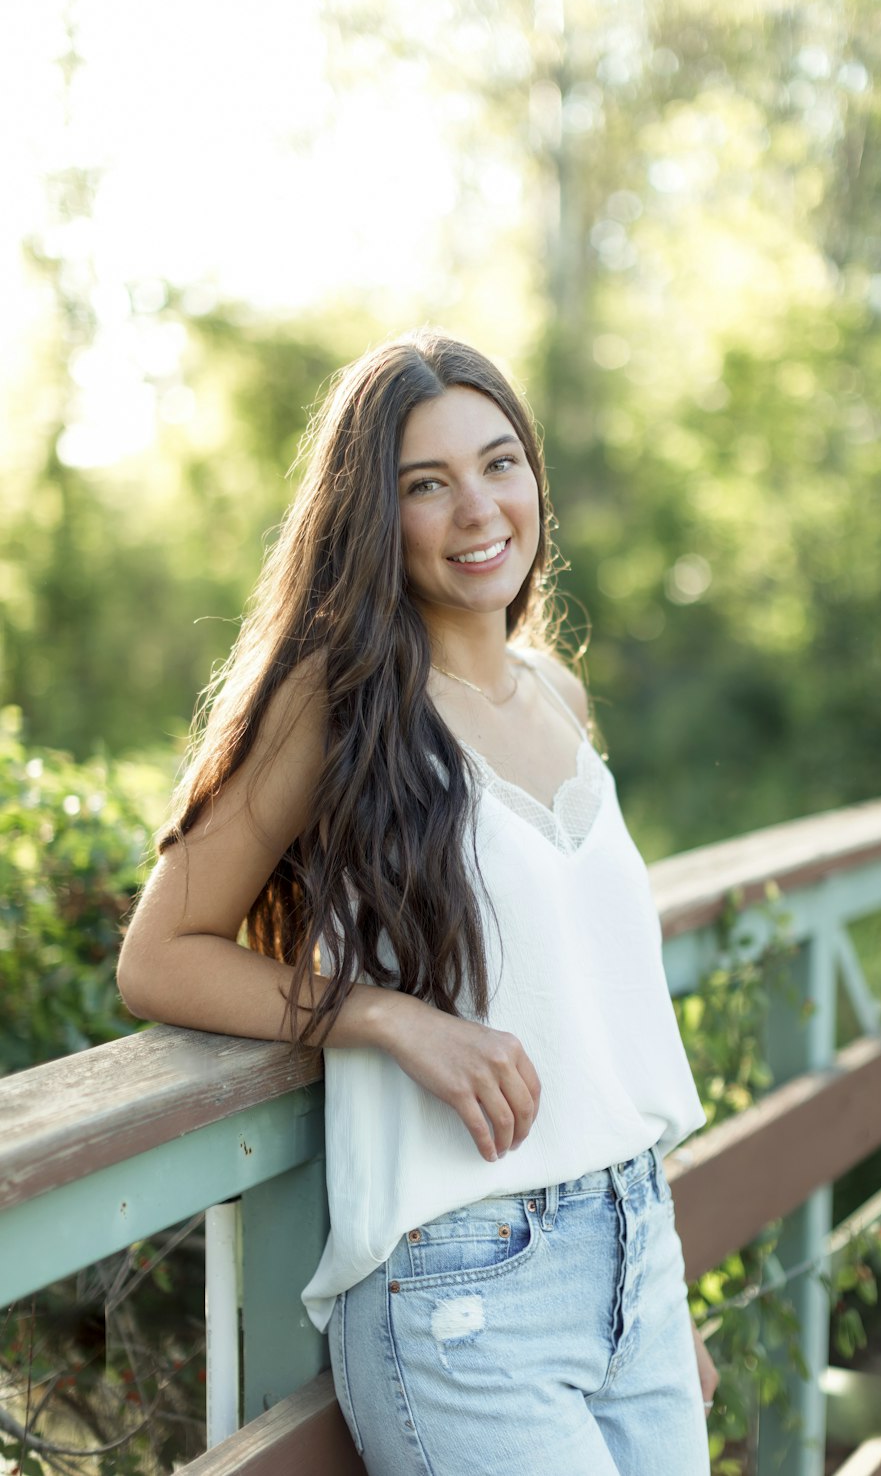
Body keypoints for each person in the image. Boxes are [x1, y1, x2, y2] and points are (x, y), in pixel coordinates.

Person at [118, 330, 718, 1475]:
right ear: (371, 519)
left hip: (632, 1252)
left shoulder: (558, 694)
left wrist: (657, 1285)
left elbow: (596, 1021)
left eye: (499, 463)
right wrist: (388, 1016)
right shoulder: (336, 703)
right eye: (424, 485)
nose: (477, 509)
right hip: (463, 1292)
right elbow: (160, 955)